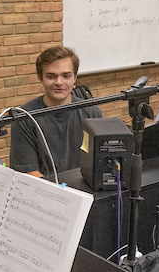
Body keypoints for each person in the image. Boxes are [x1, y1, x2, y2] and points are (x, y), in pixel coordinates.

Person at [10, 45, 103, 178]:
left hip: (86, 190)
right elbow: (28, 173)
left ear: (75, 77)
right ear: (40, 78)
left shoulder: (93, 113)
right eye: (51, 76)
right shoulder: (24, 118)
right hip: (46, 193)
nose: (59, 82)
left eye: (66, 76)